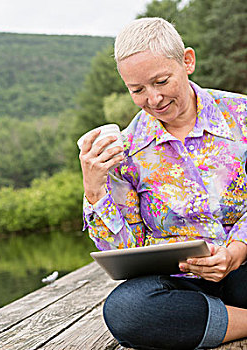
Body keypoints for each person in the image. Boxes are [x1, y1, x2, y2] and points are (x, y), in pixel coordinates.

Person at [79, 17, 247, 350]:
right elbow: (126, 254)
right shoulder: (125, 151)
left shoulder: (241, 116)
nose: (153, 99)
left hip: (243, 269)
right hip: (181, 286)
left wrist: (236, 252)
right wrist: (95, 191)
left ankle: (210, 323)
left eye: (161, 81)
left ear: (187, 61)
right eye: (137, 90)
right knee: (126, 310)